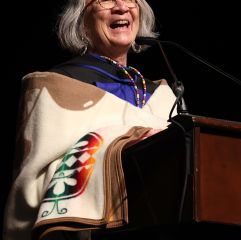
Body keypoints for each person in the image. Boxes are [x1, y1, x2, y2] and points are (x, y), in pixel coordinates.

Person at [3, 0, 177, 239]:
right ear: (81, 19)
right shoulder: (56, 87)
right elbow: (37, 181)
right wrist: (130, 142)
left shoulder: (162, 95)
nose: (121, 7)